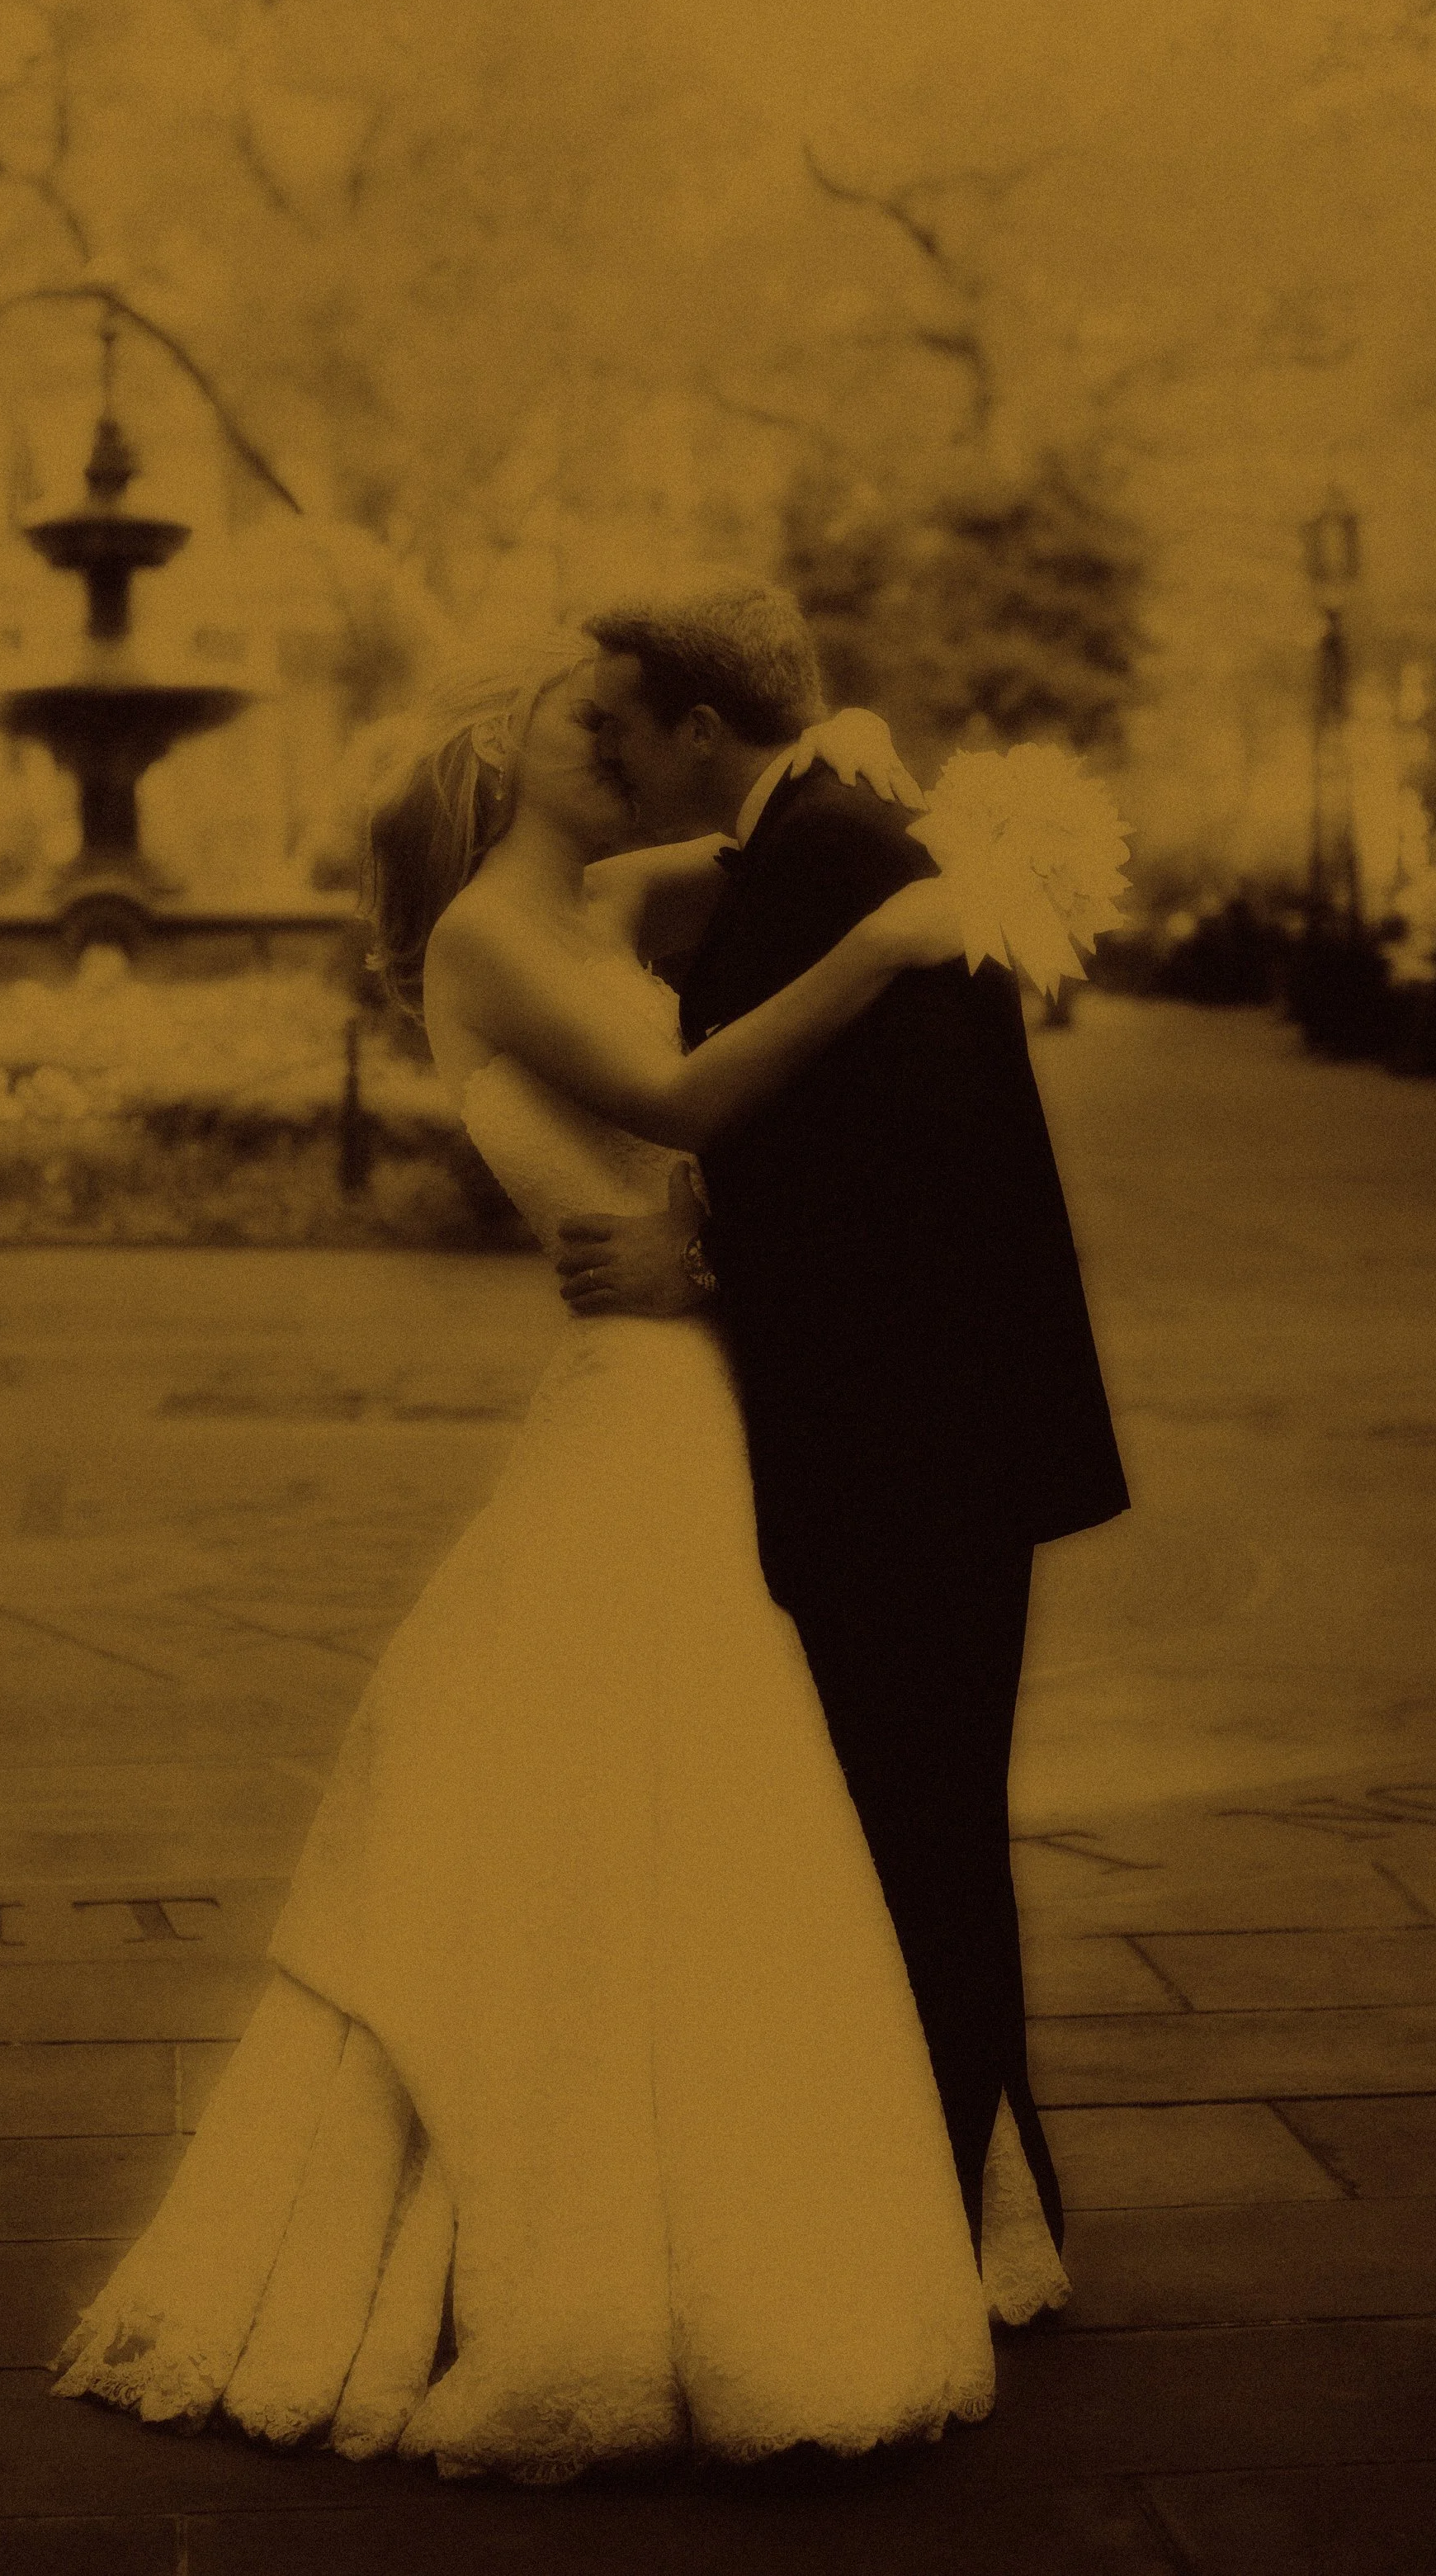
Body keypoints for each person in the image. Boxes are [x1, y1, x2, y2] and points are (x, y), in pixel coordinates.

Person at [50, 641, 1070, 2484]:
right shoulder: (483, 944)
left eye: (619, 711)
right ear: (490, 764)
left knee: (736, 1807)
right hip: (643, 1397)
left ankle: (803, 2177)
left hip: (705, 1371)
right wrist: (893, 939)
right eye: (574, 721)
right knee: (661, 1792)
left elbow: (767, 910)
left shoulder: (609, 910)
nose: (609, 733)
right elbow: (680, 1112)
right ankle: (618, 2229)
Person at [560, 582, 1131, 2266]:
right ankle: (979, 2209)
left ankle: (952, 2229)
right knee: (916, 1822)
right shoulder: (809, 839)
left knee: (922, 1829)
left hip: (917, 1452)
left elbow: (925, 1175)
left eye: (617, 719)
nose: (603, 746)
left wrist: (704, 1249)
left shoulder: (829, 858)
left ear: (698, 727)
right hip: (920, 1436)